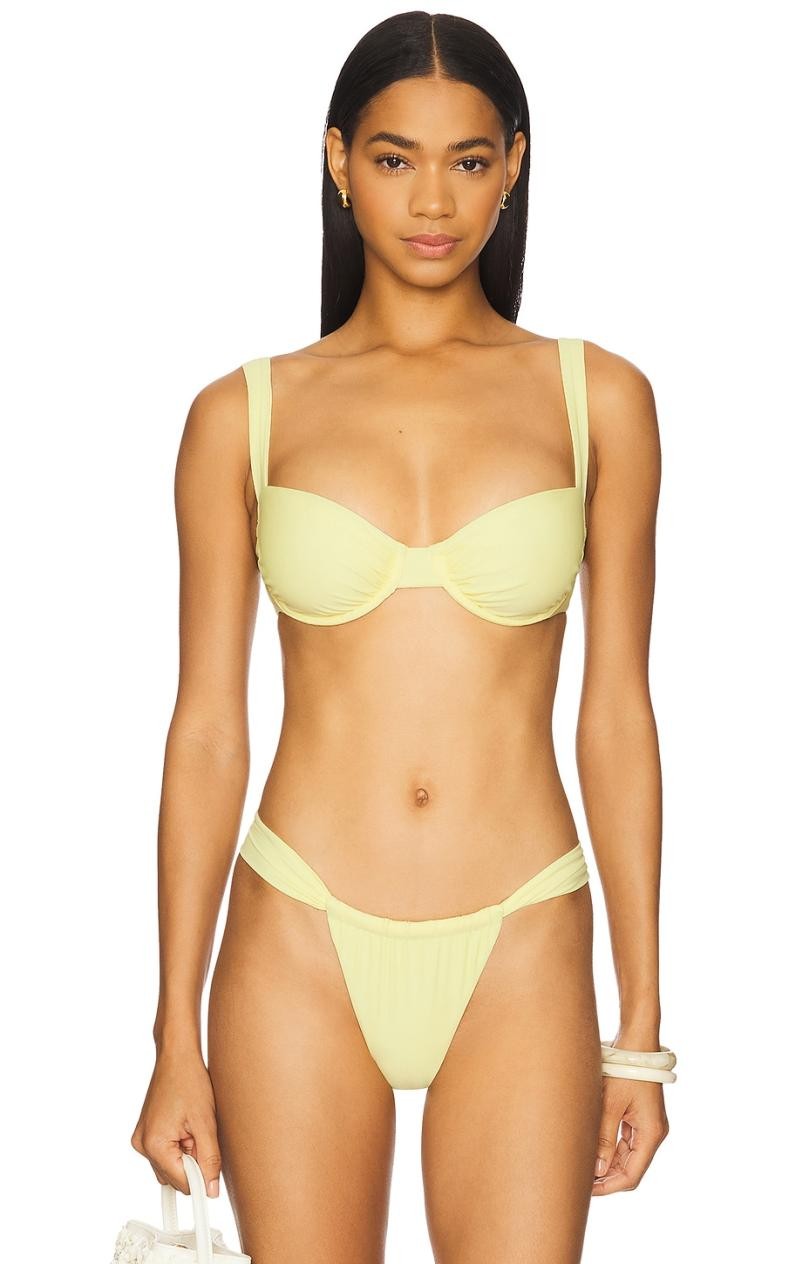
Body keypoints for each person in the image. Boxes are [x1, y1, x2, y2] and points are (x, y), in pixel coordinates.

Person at [130, 11, 675, 1262]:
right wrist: (173, 1034)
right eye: (394, 158)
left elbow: (617, 712)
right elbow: (207, 729)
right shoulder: (242, 416)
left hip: (522, 927)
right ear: (338, 161)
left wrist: (640, 1029)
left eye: (469, 160)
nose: (434, 200)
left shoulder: (600, 399)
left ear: (513, 165)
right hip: (299, 930)